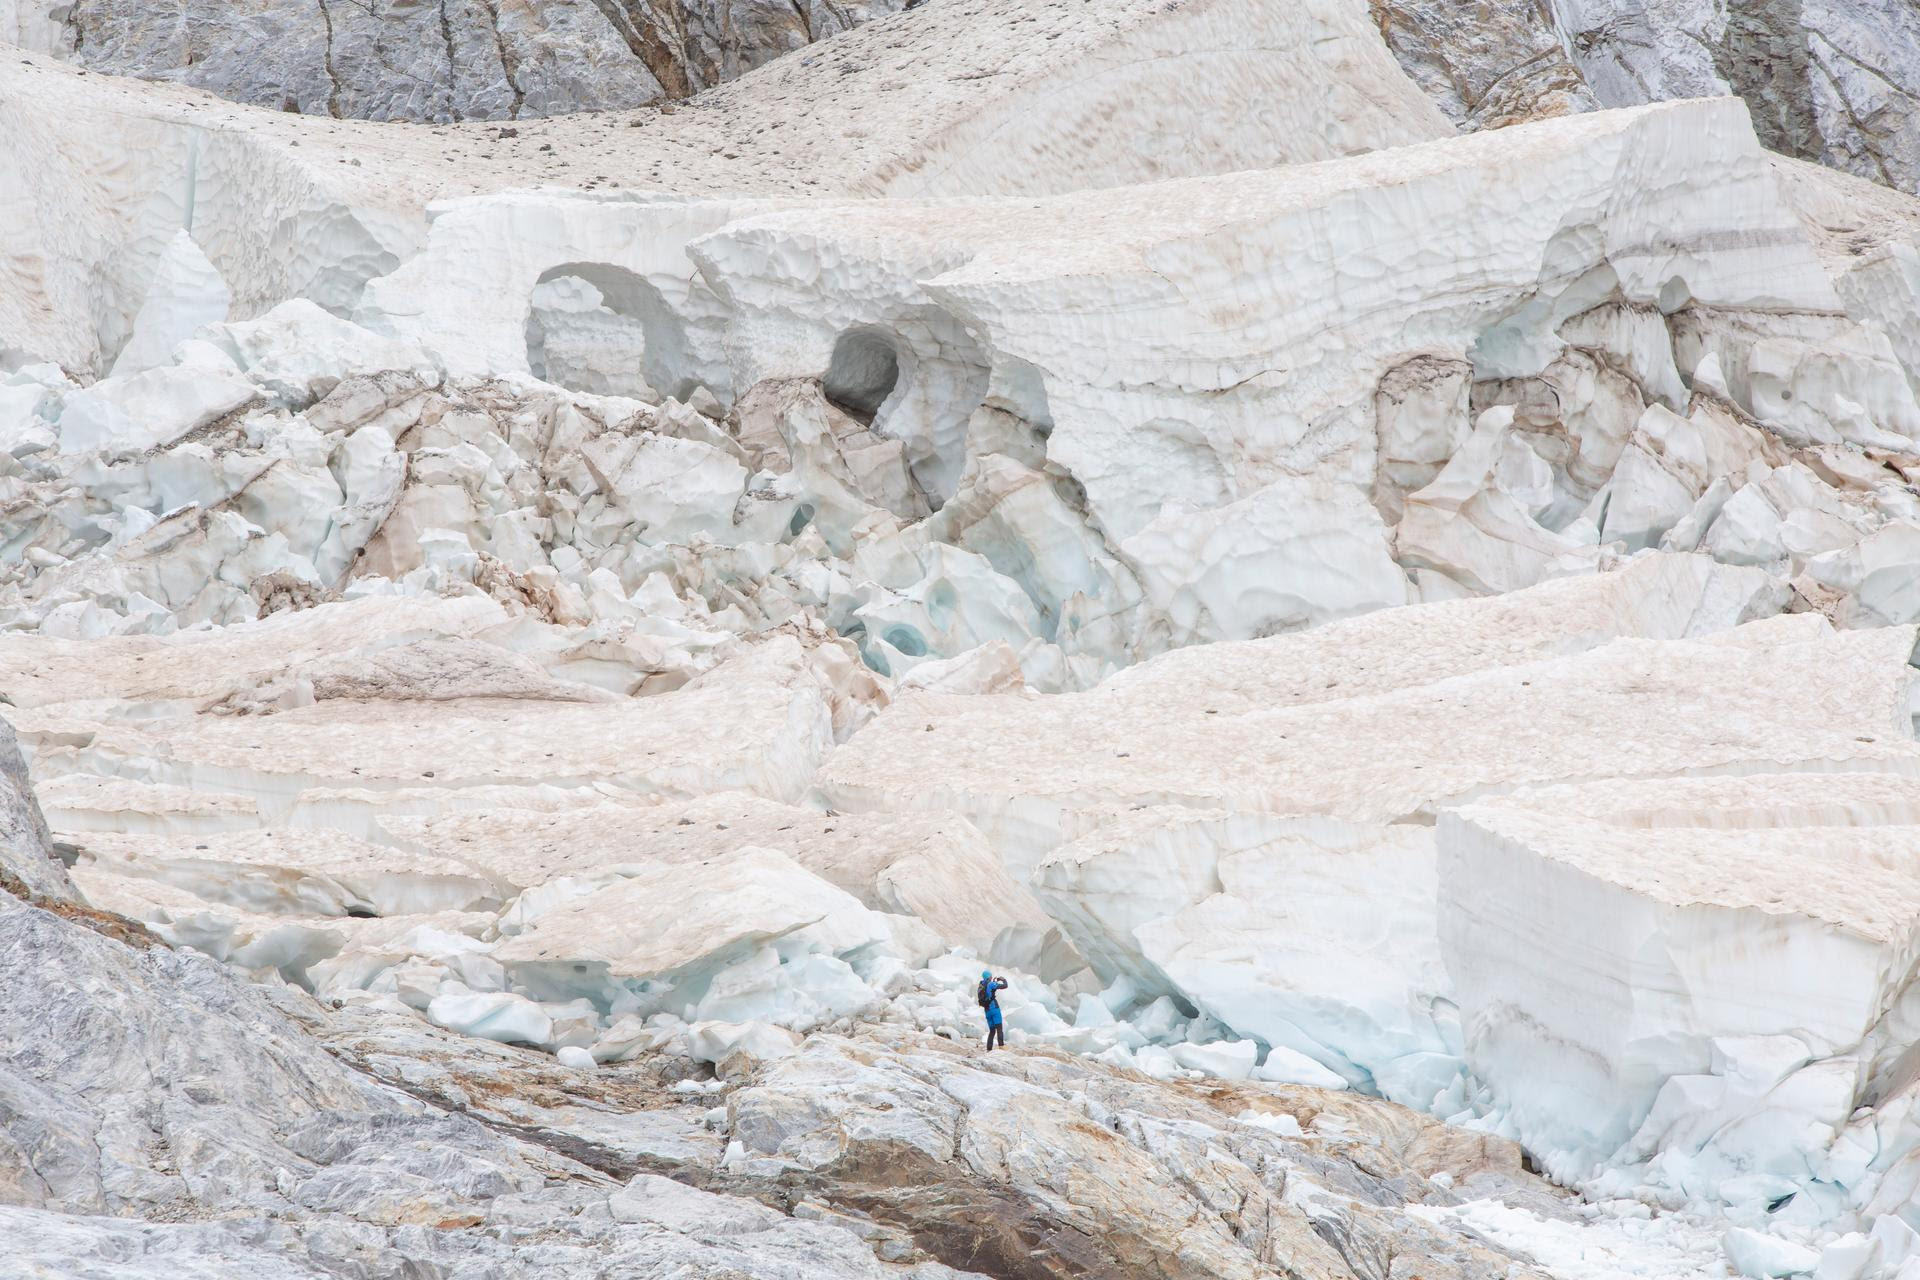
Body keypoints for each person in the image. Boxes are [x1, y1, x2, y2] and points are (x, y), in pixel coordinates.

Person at [977, 970, 1009, 1051]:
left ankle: (989, 1049)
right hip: (994, 1008)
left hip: (987, 1011)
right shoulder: (991, 984)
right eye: (990, 976)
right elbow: (1005, 986)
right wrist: (1003, 979)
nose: (991, 977)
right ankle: (1001, 1046)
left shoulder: (980, 986)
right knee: (999, 1028)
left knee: (992, 1031)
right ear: (989, 977)